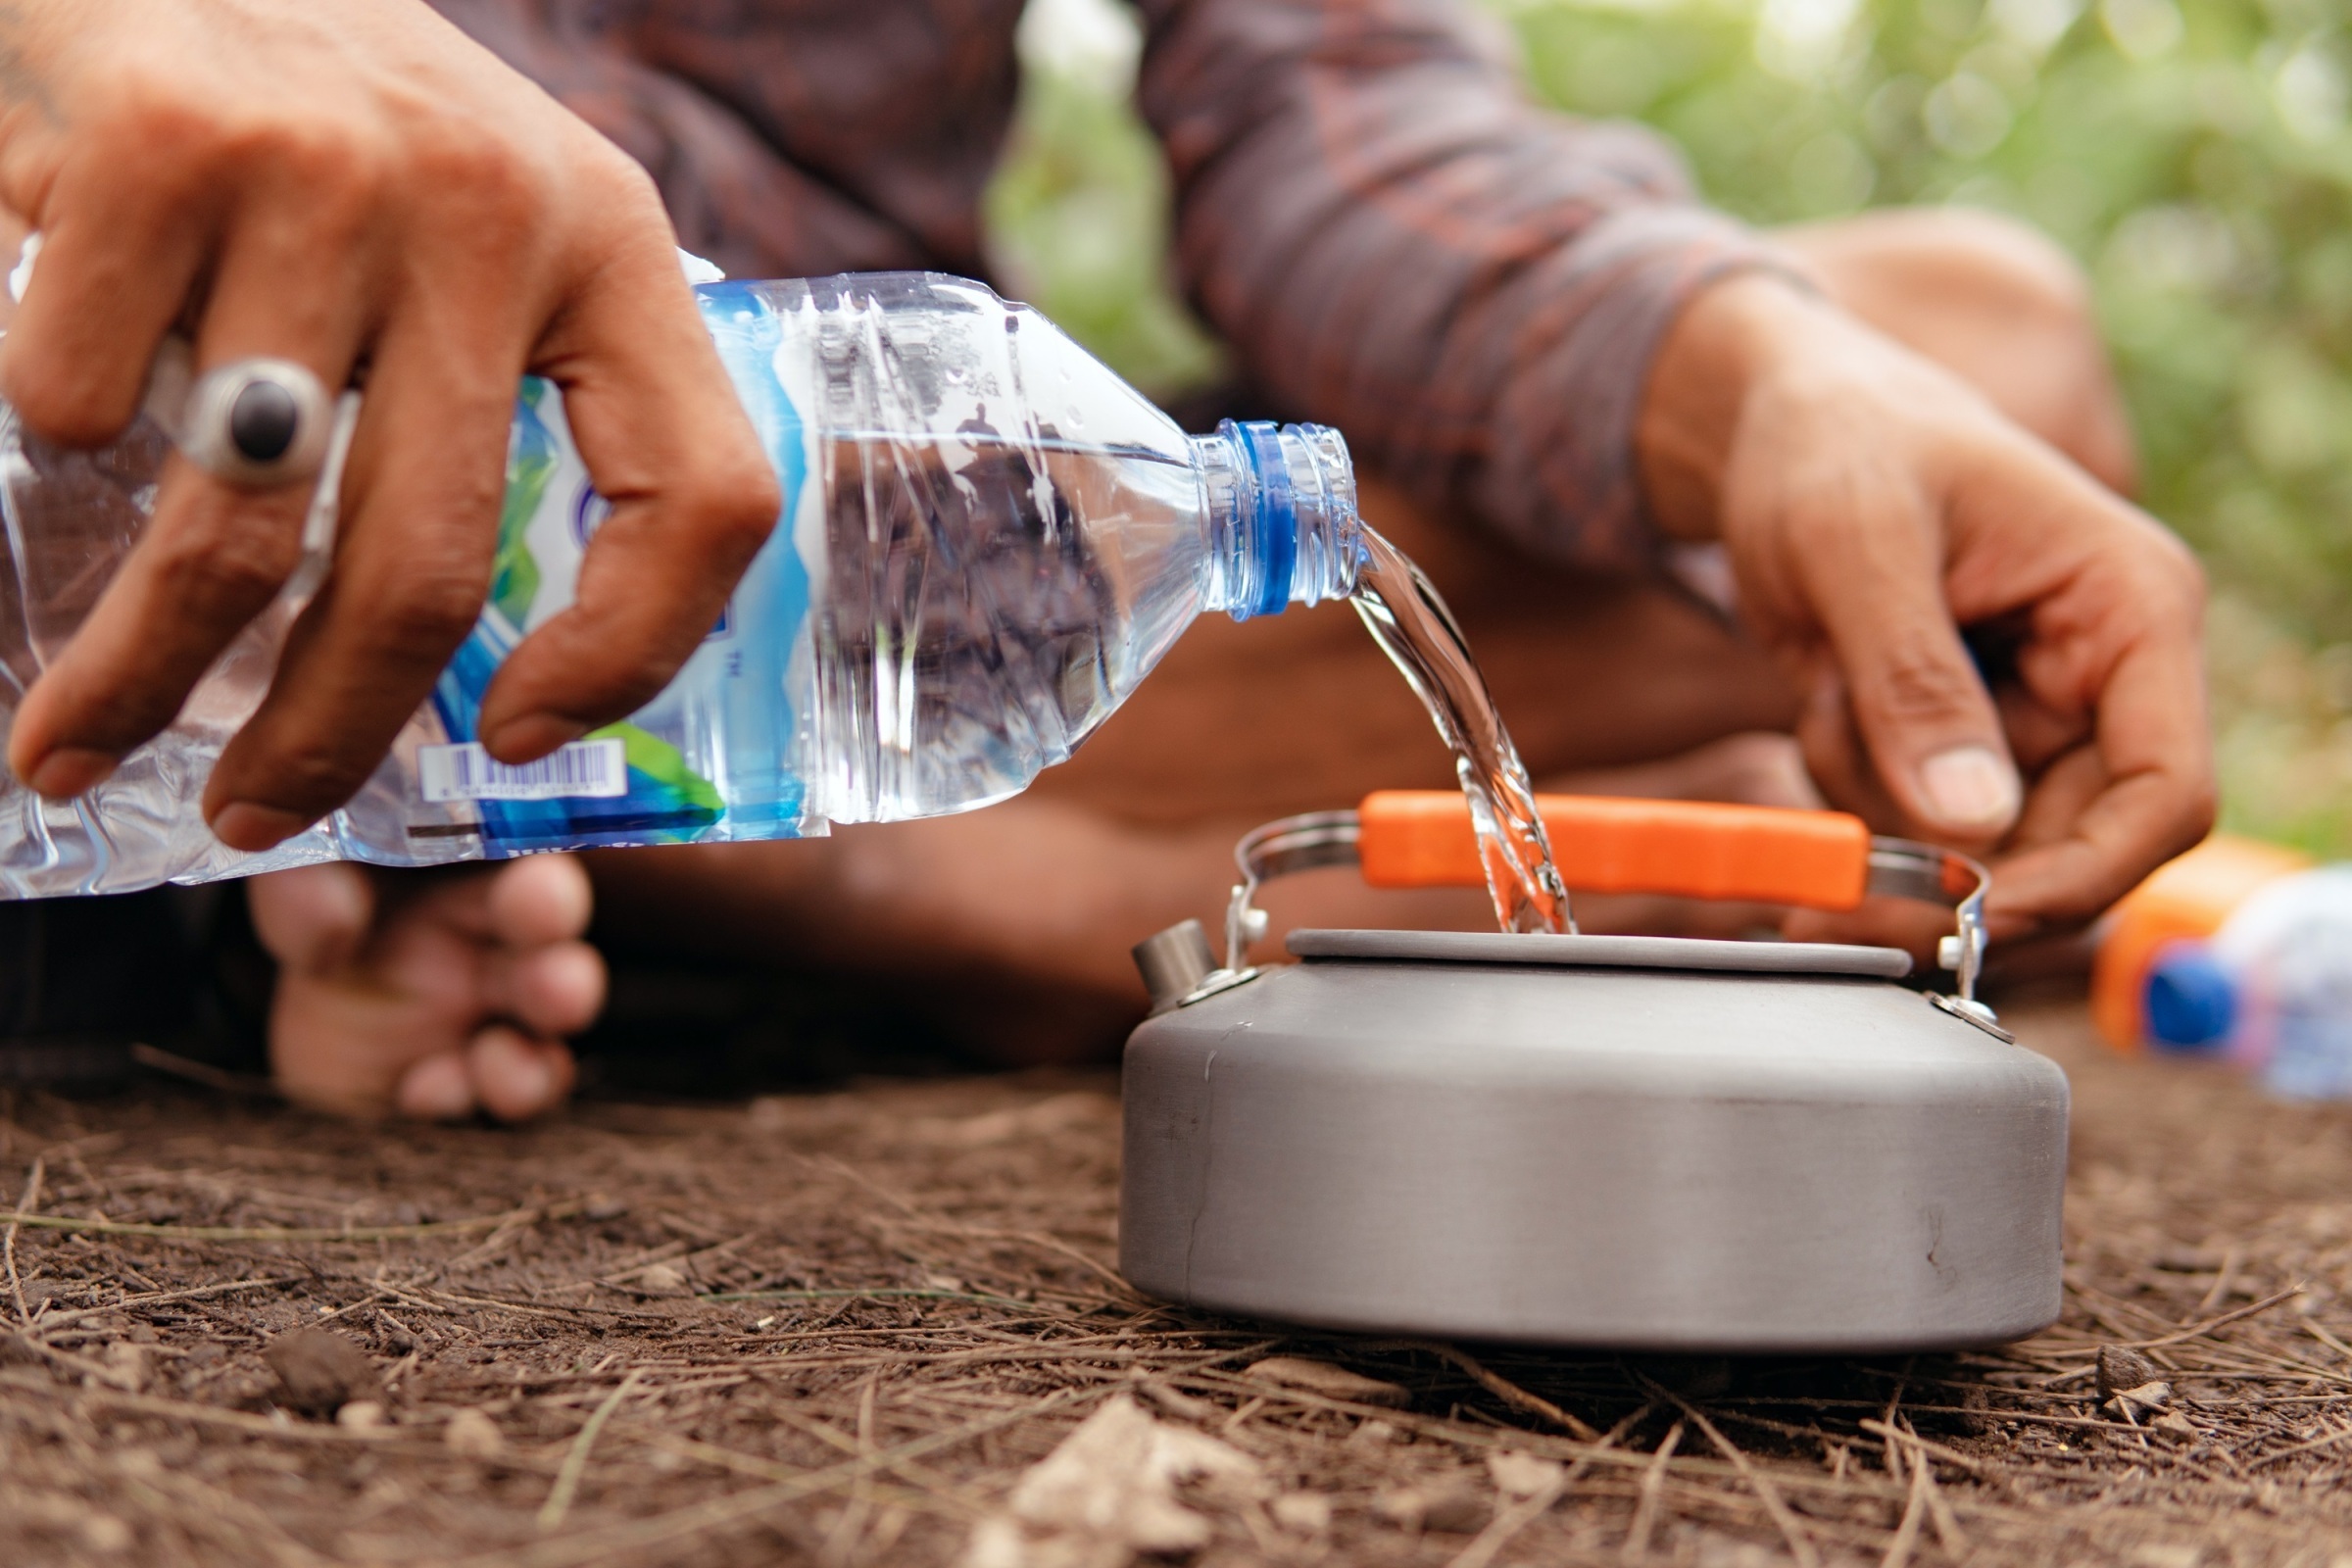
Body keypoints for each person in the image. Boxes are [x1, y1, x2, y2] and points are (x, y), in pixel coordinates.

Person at [0, 0, 2209, 1119]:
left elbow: (1339, 136)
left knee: (1972, 352)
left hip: (866, 519)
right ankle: (938, 892)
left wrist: (1762, 386)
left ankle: (833, 863)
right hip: (220, 352)